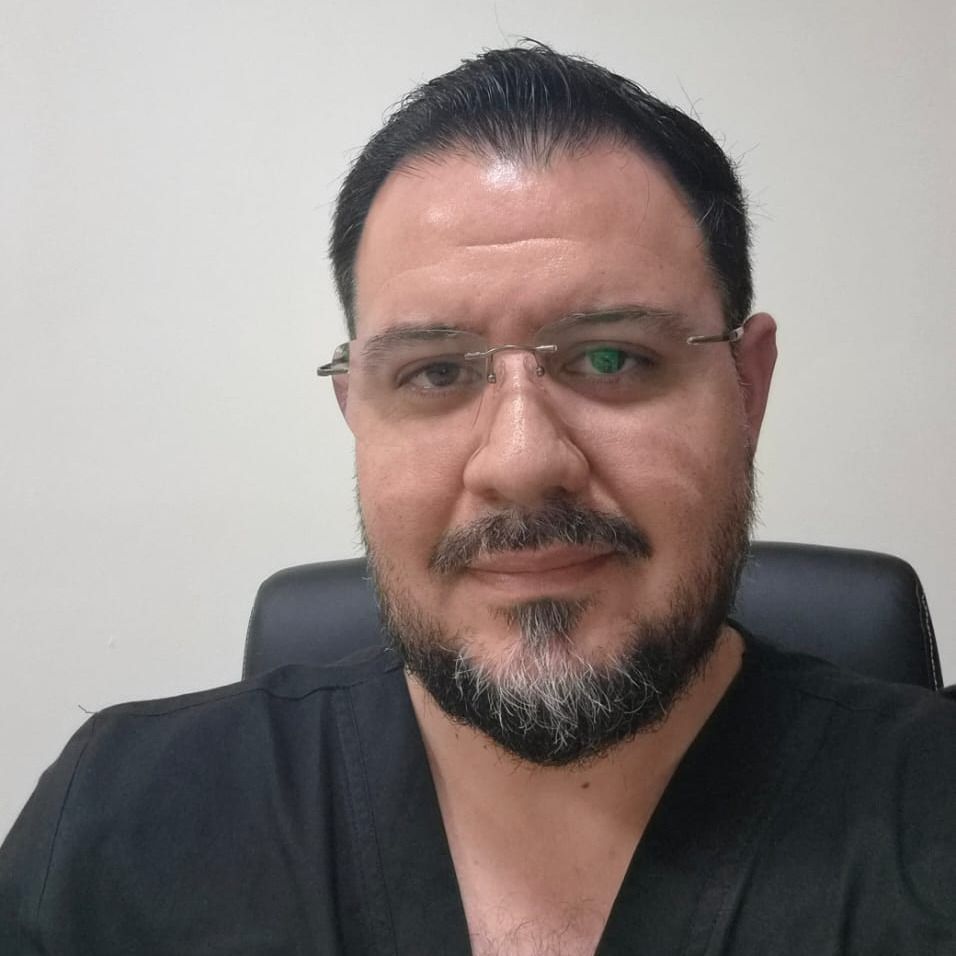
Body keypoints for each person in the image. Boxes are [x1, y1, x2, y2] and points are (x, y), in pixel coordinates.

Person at [2, 44, 954, 956]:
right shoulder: (114, 826)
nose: (521, 461)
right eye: (434, 372)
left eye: (612, 358)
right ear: (355, 413)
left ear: (748, 386)